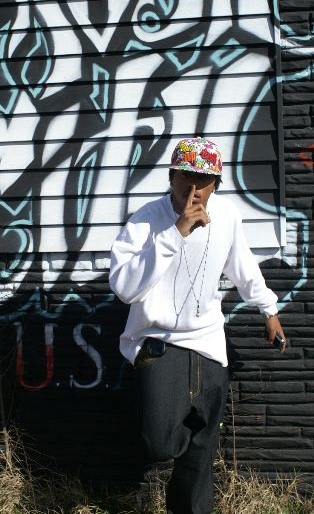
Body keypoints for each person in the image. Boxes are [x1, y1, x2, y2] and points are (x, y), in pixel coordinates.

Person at [109, 136, 286, 514]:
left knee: (203, 448)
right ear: (171, 177)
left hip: (208, 341)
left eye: (203, 180)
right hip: (157, 342)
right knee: (159, 443)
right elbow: (124, 289)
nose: (193, 188)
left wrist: (268, 310)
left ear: (216, 184)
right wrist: (176, 233)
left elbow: (243, 266)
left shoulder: (227, 215)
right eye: (185, 177)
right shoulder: (145, 220)